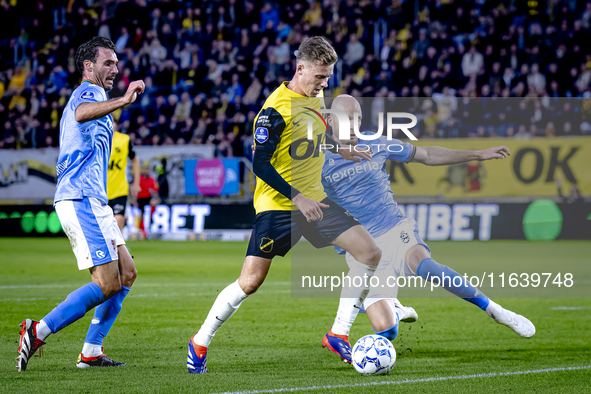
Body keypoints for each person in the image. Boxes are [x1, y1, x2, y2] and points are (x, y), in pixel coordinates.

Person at [187, 37, 381, 374]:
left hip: (316, 201)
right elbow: (260, 164)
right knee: (250, 282)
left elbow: (316, 138)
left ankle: (338, 333)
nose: (325, 83)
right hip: (280, 205)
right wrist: (297, 197)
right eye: (320, 76)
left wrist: (342, 149)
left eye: (328, 77)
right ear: (300, 68)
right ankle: (200, 340)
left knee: (369, 253)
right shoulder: (275, 110)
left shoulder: (315, 96)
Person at [321, 95, 535, 357]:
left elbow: (428, 154)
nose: (352, 125)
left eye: (357, 118)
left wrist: (478, 154)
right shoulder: (317, 160)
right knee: (387, 331)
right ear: (330, 121)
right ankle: (396, 309)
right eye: (345, 119)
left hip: (392, 228)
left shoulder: (376, 143)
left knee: (425, 265)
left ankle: (495, 309)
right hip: (361, 249)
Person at [16, 36, 145, 371]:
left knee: (126, 273)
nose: (115, 68)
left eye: (116, 62)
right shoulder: (90, 92)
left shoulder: (97, 94)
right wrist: (122, 100)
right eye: (108, 62)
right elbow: (82, 112)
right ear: (89, 66)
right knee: (107, 283)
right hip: (80, 198)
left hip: (95, 200)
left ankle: (91, 350)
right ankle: (38, 329)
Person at [107, 127, 140, 232]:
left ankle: (117, 247)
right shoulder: (95, 139)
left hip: (119, 189)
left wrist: (136, 184)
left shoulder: (124, 140)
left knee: (118, 220)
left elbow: (135, 161)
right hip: (100, 190)